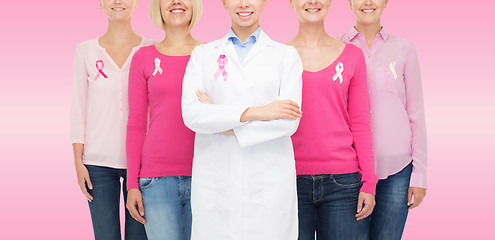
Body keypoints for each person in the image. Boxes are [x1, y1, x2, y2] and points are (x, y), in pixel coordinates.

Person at [181, 0, 303, 239]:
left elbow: (288, 121)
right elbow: (193, 114)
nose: (244, 4)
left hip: (268, 184)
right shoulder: (203, 55)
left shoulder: (286, 55)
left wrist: (218, 119)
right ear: (224, 3)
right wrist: (257, 112)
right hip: (217, 183)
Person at [287, 0, 377, 239]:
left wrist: (369, 181)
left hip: (343, 182)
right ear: (291, 3)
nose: (313, 2)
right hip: (289, 178)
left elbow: (360, 123)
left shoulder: (352, 56)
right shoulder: (278, 57)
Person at [338, 0, 428, 239]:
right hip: (350, 172)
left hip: (397, 171)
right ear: (349, 3)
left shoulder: (405, 50)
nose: (367, 2)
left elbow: (416, 113)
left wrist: (419, 175)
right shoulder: (336, 48)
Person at [70, 0, 154, 239]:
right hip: (97, 164)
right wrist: (78, 161)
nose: (118, 1)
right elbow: (78, 108)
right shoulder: (85, 51)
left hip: (142, 163)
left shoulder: (151, 49)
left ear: (136, 3)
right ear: (100, 4)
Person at [125, 0, 202, 239]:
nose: (177, 2)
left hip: (205, 175)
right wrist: (131, 185)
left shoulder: (211, 55)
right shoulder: (143, 58)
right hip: (155, 180)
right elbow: (136, 124)